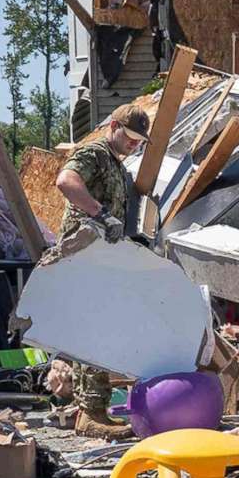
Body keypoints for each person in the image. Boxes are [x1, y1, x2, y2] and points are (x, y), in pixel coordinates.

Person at [50, 103, 151, 428]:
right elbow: (65, 181)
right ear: (113, 126)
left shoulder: (116, 166)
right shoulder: (94, 154)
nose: (134, 144)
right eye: (130, 137)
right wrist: (99, 213)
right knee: (94, 328)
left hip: (99, 256)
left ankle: (90, 410)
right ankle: (91, 412)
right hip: (84, 252)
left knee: (95, 327)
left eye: (139, 140)